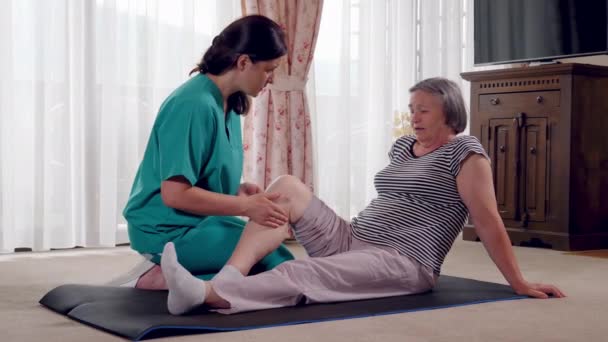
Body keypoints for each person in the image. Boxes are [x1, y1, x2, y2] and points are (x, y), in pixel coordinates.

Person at [158, 77, 566, 315]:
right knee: (285, 186)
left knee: (303, 272)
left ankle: (209, 295)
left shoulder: (467, 154)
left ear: (449, 112)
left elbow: (488, 220)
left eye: (423, 109)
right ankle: (232, 275)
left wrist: (518, 282)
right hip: (351, 238)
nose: (414, 116)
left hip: (403, 260)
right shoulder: (403, 147)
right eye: (412, 108)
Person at [112, 15, 295, 289]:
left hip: (199, 223)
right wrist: (245, 207)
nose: (270, 79)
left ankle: (179, 278)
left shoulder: (229, 102)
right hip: (166, 231)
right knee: (272, 265)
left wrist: (238, 192)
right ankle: (155, 276)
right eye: (269, 69)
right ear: (243, 62)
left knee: (279, 260)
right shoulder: (192, 105)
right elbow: (174, 194)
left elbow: (200, 177)